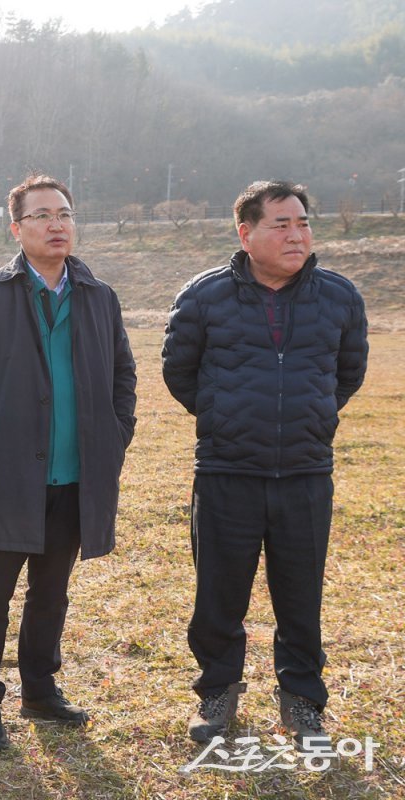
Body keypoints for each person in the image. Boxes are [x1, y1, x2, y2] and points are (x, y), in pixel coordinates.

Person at [162, 180, 368, 749]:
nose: (296, 235)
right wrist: (226, 417)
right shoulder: (204, 297)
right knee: (219, 595)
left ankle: (302, 702)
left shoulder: (339, 297)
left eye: (303, 223)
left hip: (305, 473)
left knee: (301, 597)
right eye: (281, 224)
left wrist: (308, 416)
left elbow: (348, 373)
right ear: (246, 233)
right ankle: (217, 691)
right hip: (227, 472)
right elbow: (179, 372)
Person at [0, 175, 136, 753]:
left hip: (77, 475)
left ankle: (40, 691)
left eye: (65, 213)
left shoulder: (98, 295)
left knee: (51, 593)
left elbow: (123, 373)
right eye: (42, 215)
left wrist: (116, 434)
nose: (57, 224)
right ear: (16, 228)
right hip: (11, 473)